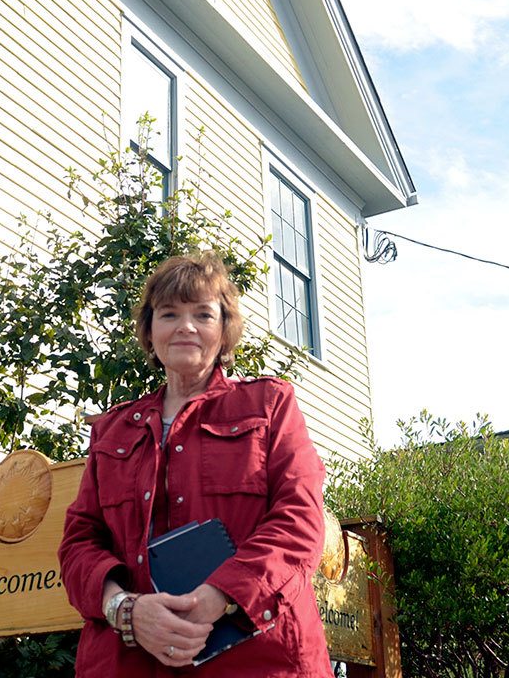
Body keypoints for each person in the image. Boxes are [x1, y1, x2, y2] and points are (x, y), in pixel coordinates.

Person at [59, 252, 331, 676]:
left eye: (203, 314)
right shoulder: (111, 431)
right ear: (150, 332)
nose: (186, 326)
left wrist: (218, 596)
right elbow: (79, 542)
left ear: (224, 332)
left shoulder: (270, 404)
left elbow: (300, 521)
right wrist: (124, 610)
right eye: (169, 314)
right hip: (128, 663)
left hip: (258, 659)